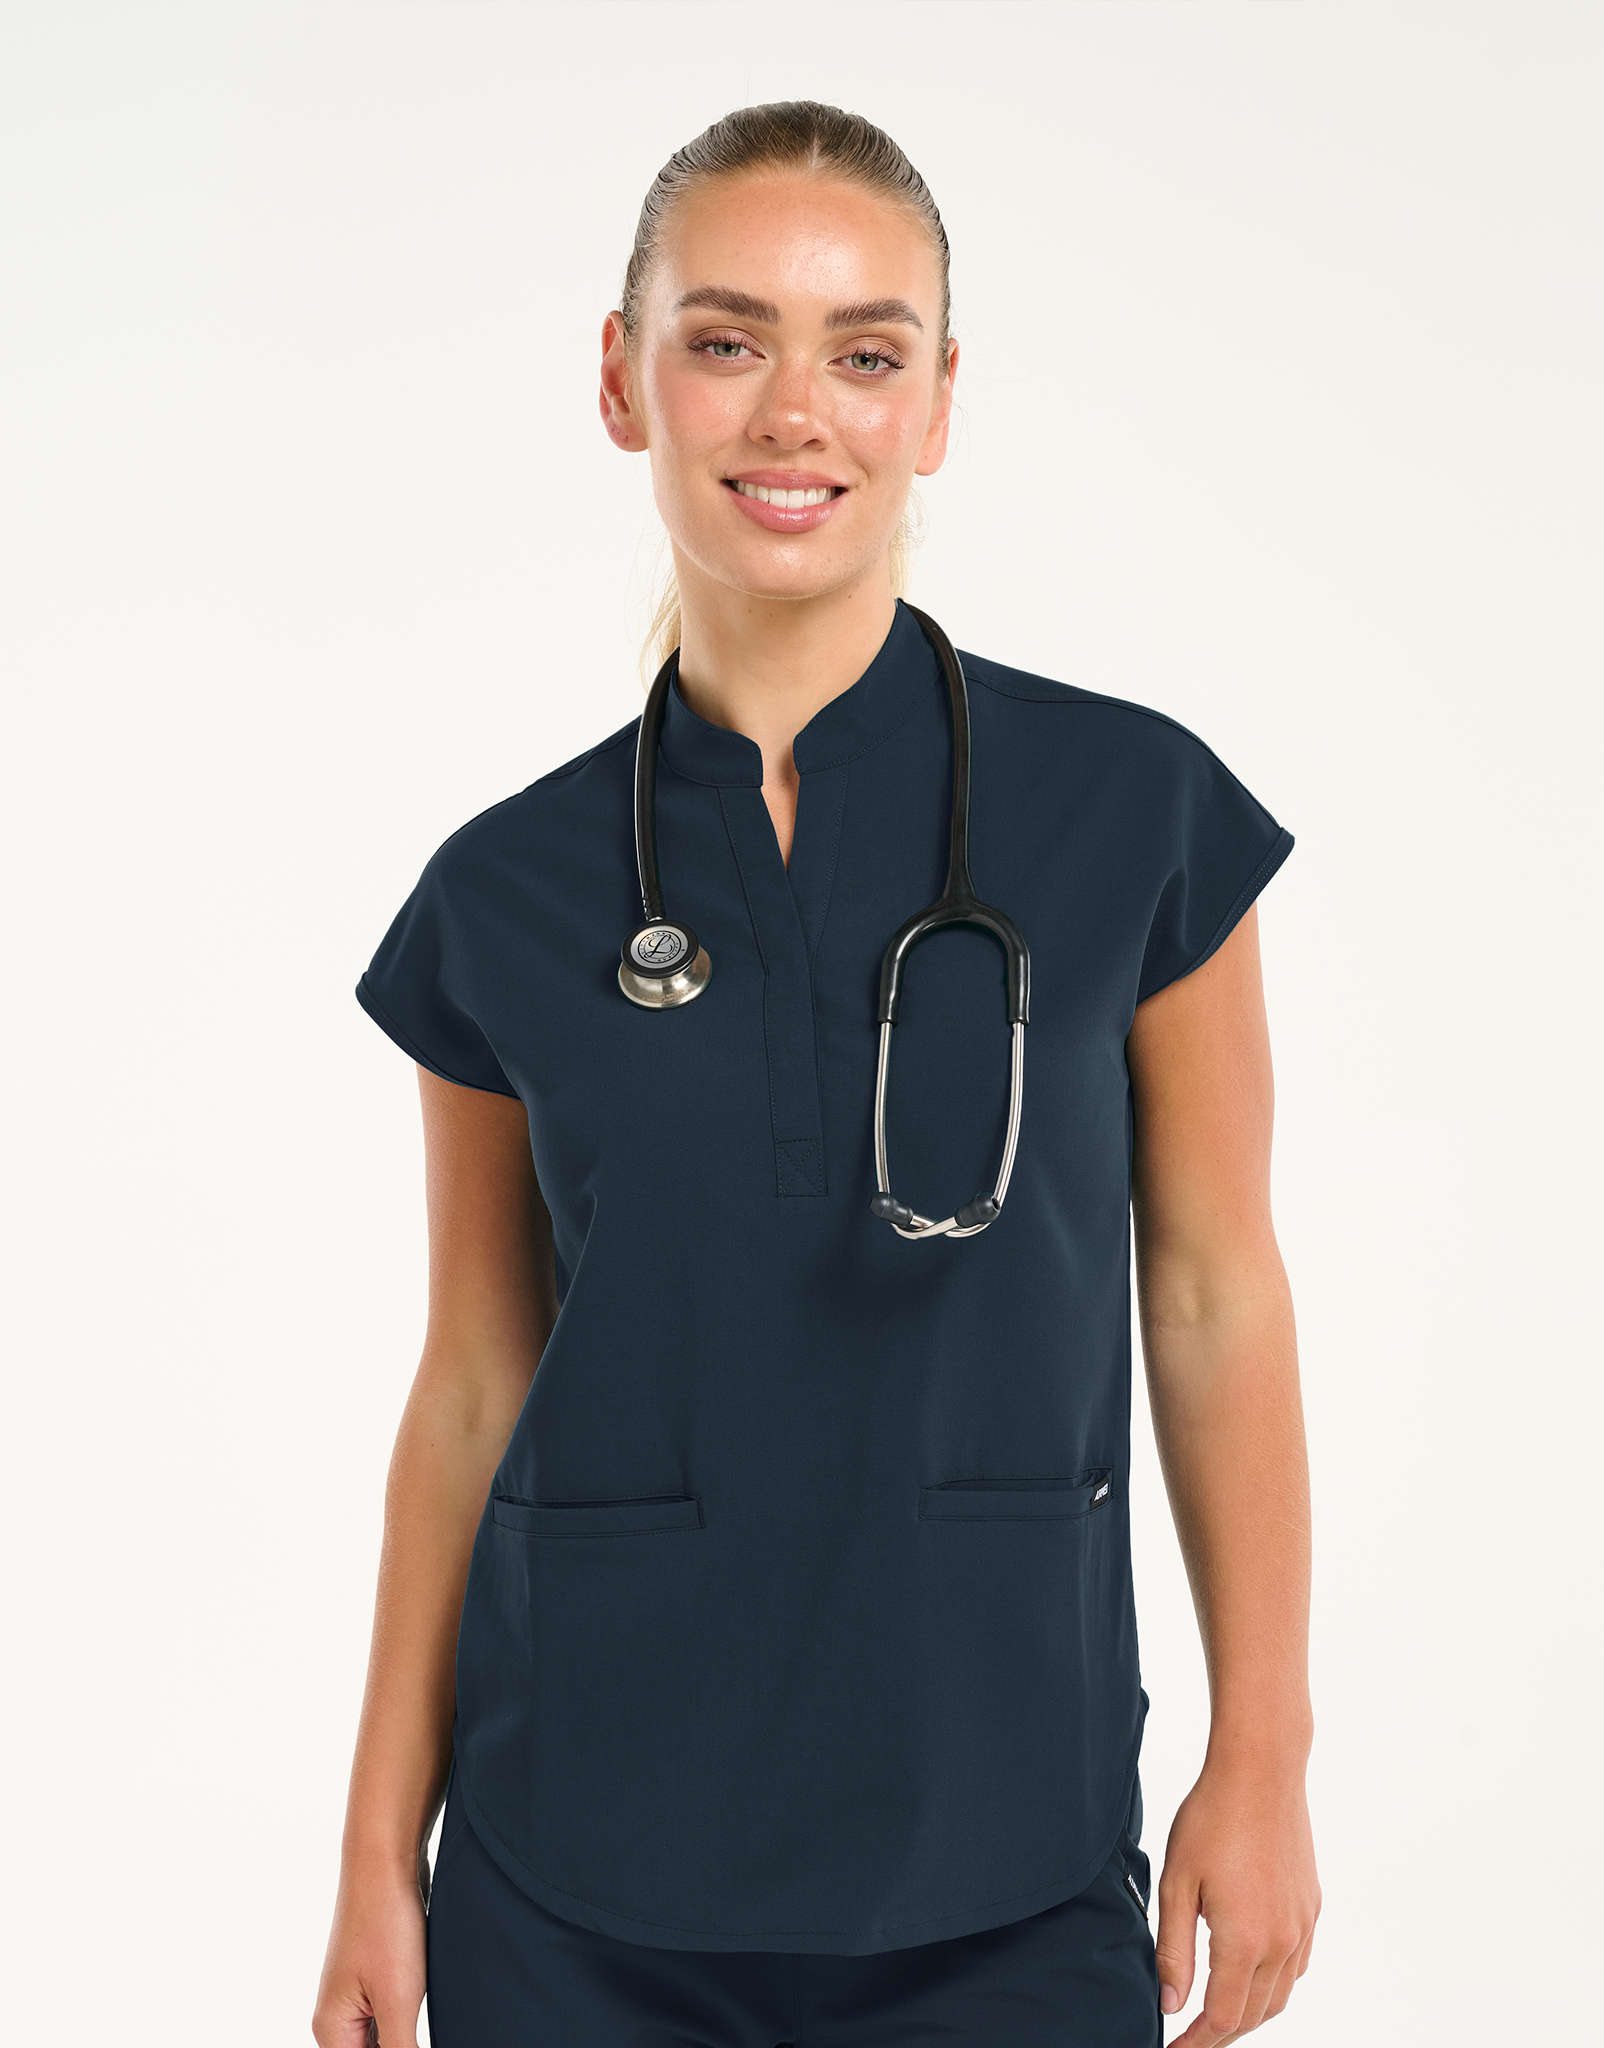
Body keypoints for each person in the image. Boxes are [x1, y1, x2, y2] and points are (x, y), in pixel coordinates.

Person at [312, 100, 1319, 2048]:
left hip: (1007, 1854)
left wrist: (1261, 1751)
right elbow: (473, 1380)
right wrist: (375, 1850)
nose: (797, 412)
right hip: (568, 1876)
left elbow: (1213, 1292)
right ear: (624, 379)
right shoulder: (504, 894)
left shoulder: (1135, 815)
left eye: (866, 353)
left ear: (936, 407)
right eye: (725, 339)